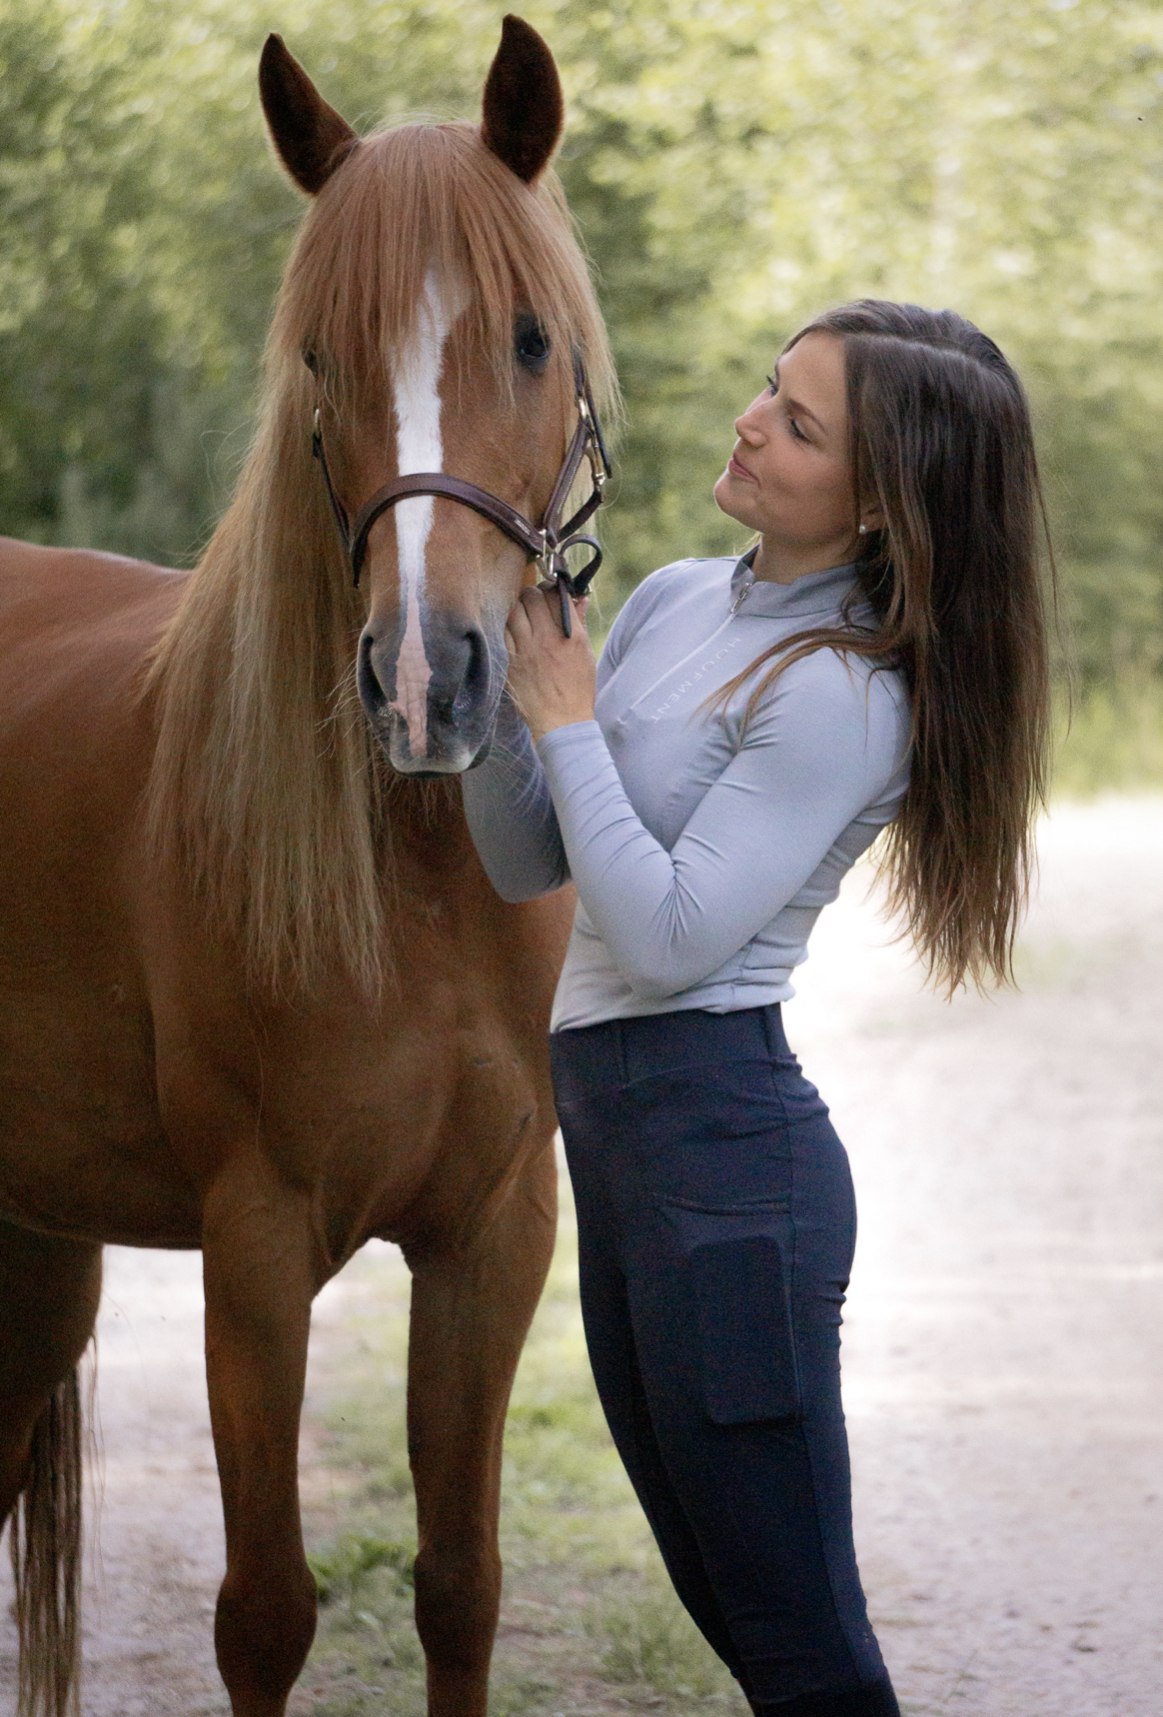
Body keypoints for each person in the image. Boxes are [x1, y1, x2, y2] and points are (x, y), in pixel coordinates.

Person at [462, 299, 1052, 1716]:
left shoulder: (846, 694)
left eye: (800, 423)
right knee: (733, 1610)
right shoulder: (672, 600)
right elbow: (525, 856)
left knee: (803, 1645)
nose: (750, 421)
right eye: (764, 390)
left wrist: (565, 719)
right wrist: (497, 690)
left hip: (728, 1172)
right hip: (632, 1159)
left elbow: (667, 939)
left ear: (876, 503)